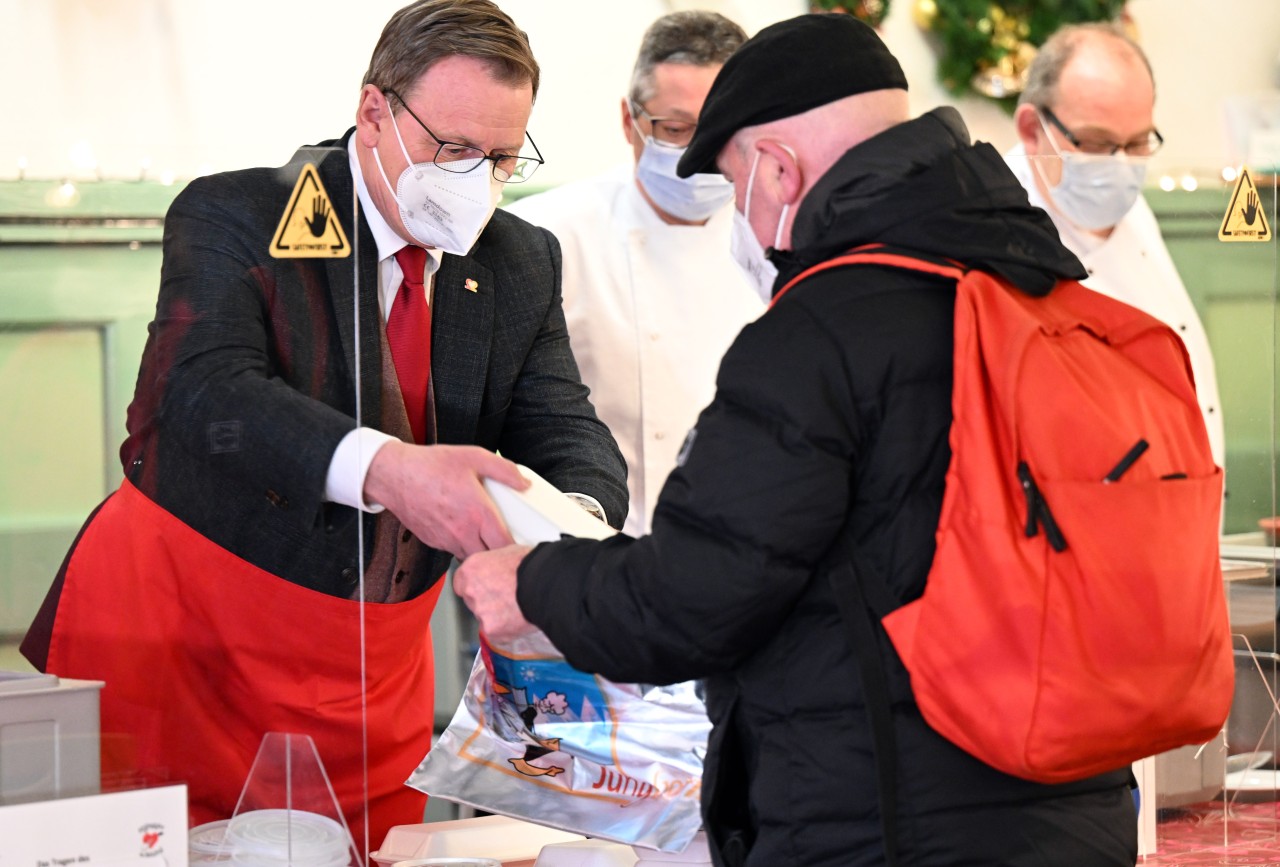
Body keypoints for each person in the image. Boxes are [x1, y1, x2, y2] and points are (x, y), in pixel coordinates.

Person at [454, 13, 1138, 867]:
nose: (736, 215)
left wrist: (537, 584)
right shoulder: (1027, 278)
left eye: (738, 180)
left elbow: (699, 591)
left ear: (777, 166)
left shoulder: (824, 327)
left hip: (883, 822)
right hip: (1073, 810)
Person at [20, 0, 627, 856]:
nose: (475, 180)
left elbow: (564, 426)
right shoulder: (237, 215)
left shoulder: (518, 260)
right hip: (187, 634)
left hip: (369, 664)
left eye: (500, 157)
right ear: (373, 111)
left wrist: (567, 534)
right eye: (451, 149)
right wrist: (391, 471)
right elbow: (202, 392)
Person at [505, 10, 761, 537]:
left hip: (741, 556)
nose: (701, 153)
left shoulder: (780, 240)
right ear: (629, 120)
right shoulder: (548, 235)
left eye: (722, 129)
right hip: (590, 556)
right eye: (676, 129)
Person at [1006, 22, 1225, 467]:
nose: (1121, 165)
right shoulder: (1000, 232)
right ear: (1032, 129)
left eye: (1139, 142)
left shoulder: (1131, 208)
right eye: (1098, 143)